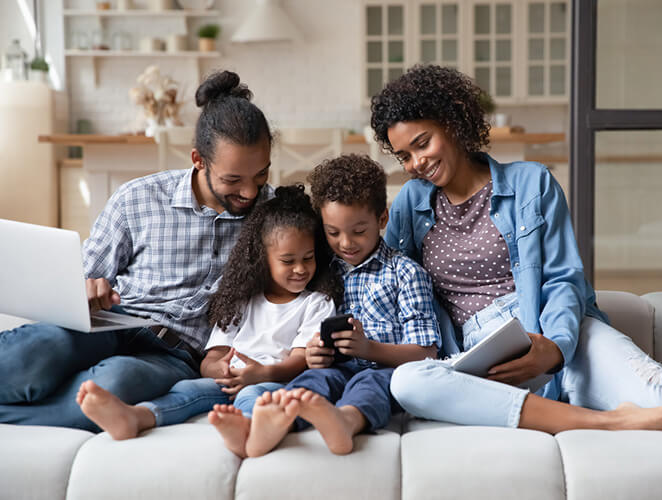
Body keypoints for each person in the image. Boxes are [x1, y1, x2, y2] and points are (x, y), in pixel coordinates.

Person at [370, 64, 662, 437]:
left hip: (554, 335)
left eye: (422, 143)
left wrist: (555, 348)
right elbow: (390, 281)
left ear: (452, 123)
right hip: (479, 359)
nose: (416, 163)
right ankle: (610, 421)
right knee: (408, 382)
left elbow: (565, 278)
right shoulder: (409, 204)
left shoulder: (532, 183)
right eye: (404, 156)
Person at [0, 70, 274, 431]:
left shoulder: (274, 216)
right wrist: (85, 288)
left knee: (113, 384)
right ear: (198, 160)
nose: (250, 193)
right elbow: (81, 276)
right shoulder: (139, 197)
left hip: (175, 353)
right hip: (114, 321)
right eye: (233, 180)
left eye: (261, 176)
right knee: (34, 355)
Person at [209, 154, 442, 458]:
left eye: (359, 231)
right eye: (333, 233)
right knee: (311, 382)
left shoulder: (406, 273)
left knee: (370, 384)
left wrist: (368, 349)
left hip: (383, 368)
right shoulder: (319, 268)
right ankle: (264, 427)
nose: (346, 243)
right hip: (334, 368)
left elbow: (426, 352)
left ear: (381, 219)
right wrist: (315, 354)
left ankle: (346, 422)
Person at [75, 185, 343, 449]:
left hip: (274, 382)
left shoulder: (316, 303)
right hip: (230, 381)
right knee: (187, 390)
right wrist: (220, 371)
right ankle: (136, 417)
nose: (300, 269)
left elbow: (300, 361)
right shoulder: (242, 300)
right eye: (288, 261)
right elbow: (211, 358)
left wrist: (261, 374)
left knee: (252, 396)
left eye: (308, 258)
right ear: (263, 259)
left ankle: (249, 432)